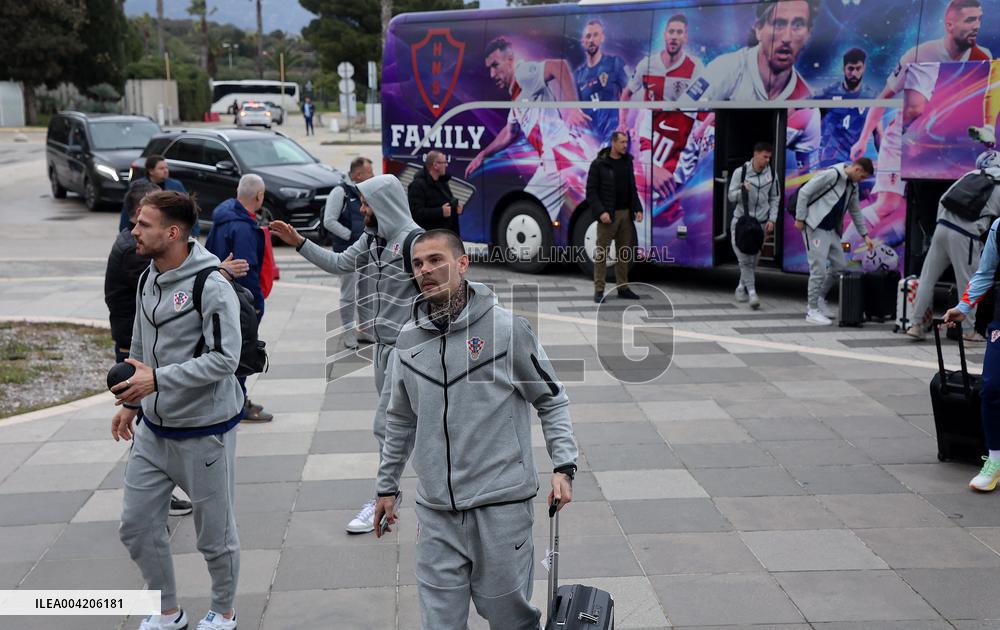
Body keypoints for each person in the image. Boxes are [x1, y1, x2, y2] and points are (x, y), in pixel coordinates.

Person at [373, 229, 579, 629]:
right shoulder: (407, 340)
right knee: (440, 623)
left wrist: (564, 466)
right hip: (436, 514)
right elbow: (399, 418)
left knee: (511, 620)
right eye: (418, 264)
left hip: (501, 510)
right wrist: (386, 486)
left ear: (462, 263)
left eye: (436, 260)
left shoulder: (507, 329)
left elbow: (550, 398)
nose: (426, 270)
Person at [111, 190, 243, 630]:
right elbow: (140, 344)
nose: (134, 231)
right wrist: (133, 400)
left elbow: (226, 359)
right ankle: (169, 610)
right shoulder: (149, 276)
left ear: (172, 232)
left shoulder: (212, 284)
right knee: (135, 525)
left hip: (205, 431)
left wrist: (158, 379)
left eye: (142, 224)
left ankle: (223, 612)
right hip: (153, 429)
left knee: (215, 536)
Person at [268, 175, 423, 534]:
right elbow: (339, 264)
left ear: (384, 204)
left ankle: (385, 498)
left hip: (408, 354)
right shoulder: (372, 239)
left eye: (367, 203)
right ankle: (398, 497)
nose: (362, 209)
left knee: (387, 427)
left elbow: (448, 294)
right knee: (397, 430)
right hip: (383, 352)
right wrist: (299, 242)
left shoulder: (416, 241)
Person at [851, 0, 991, 236]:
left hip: (943, 149)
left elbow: (982, 101)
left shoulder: (982, 57)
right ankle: (850, 252)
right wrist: (863, 139)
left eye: (979, 19)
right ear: (949, 24)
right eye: (969, 20)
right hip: (902, 143)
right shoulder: (920, 54)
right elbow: (883, 98)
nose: (976, 25)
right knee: (888, 206)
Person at [465, 37, 590, 223]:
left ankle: (520, 250)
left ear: (510, 60)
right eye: (489, 68)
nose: (492, 74)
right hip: (563, 156)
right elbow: (509, 132)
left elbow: (560, 66)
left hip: (559, 156)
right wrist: (483, 154)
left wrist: (573, 107)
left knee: (524, 215)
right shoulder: (517, 97)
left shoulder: (523, 74)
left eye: (495, 65)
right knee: (538, 214)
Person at [907, 153, 1000, 342]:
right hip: (965, 235)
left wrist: (941, 223)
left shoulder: (971, 175)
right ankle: (968, 330)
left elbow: (943, 198)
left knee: (927, 278)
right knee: (969, 281)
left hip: (942, 227)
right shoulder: (998, 186)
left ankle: (915, 325)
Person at [205, 174, 275, 423]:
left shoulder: (222, 218)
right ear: (259, 196)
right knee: (243, 354)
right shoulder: (243, 227)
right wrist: (255, 306)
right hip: (239, 301)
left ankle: (232, 401)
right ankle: (238, 403)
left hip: (218, 294)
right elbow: (248, 270)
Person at [621, 13, 704, 200]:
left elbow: (703, 106)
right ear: (665, 35)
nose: (675, 36)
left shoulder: (695, 67)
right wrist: (622, 122)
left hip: (674, 139)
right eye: (672, 31)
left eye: (679, 32)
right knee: (644, 194)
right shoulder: (647, 64)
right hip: (648, 137)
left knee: (669, 197)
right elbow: (626, 94)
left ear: (685, 37)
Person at [945, 213, 1000, 491]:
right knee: (991, 388)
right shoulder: (999, 227)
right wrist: (963, 307)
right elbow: (986, 272)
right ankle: (995, 460)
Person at [794, 158, 876, 325]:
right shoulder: (832, 174)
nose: (862, 181)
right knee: (818, 270)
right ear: (858, 170)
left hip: (831, 230)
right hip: (814, 226)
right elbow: (804, 192)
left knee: (839, 266)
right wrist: (800, 218)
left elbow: (855, 211)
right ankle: (812, 310)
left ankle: (820, 299)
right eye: (862, 177)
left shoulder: (852, 186)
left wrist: (865, 235)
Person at [586, 131, 643, 303]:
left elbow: (632, 188)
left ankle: (623, 287)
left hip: (626, 214)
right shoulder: (599, 164)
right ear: (613, 143)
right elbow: (591, 192)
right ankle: (599, 290)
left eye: (626, 142)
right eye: (622, 142)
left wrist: (637, 208)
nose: (625, 145)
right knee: (602, 253)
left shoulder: (627, 162)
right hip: (608, 215)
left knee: (623, 252)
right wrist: (601, 212)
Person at [324, 157, 375, 349]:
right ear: (359, 174)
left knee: (367, 292)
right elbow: (329, 221)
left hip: (366, 250)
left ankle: (365, 330)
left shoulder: (368, 191)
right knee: (348, 295)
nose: (373, 174)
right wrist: (349, 236)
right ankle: (348, 332)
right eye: (370, 171)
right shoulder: (340, 192)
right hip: (347, 252)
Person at [728, 142, 779, 310]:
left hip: (761, 225)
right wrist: (742, 190)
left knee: (754, 260)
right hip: (741, 223)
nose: (767, 160)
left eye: (769, 158)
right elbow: (730, 197)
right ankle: (752, 293)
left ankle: (741, 286)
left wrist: (772, 219)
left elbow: (775, 198)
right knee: (744, 261)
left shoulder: (771, 173)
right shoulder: (740, 172)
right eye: (765, 157)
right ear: (755, 154)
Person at [817, 48, 881, 167]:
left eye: (858, 68)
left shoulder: (872, 97)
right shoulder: (828, 93)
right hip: (829, 161)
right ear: (844, 68)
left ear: (863, 68)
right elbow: (797, 108)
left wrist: (884, 160)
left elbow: (878, 133)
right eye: (850, 69)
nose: (854, 74)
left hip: (855, 162)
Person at [574, 19, 628, 144]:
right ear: (583, 41)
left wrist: (623, 122)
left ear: (602, 38)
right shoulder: (578, 75)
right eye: (588, 36)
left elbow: (627, 94)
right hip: (591, 139)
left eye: (595, 35)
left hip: (613, 134)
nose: (591, 40)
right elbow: (577, 109)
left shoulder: (614, 63)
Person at [120, 156, 195, 235]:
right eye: (161, 168)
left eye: (166, 168)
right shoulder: (138, 186)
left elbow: (188, 209)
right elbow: (127, 212)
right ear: (151, 171)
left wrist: (194, 233)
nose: (166, 171)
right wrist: (124, 233)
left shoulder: (176, 186)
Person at [407, 151, 463, 235]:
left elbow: (446, 204)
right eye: (444, 162)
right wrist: (440, 211)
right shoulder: (417, 186)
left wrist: (456, 208)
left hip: (446, 235)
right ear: (435, 165)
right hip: (430, 237)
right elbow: (415, 213)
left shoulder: (442, 182)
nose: (446, 165)